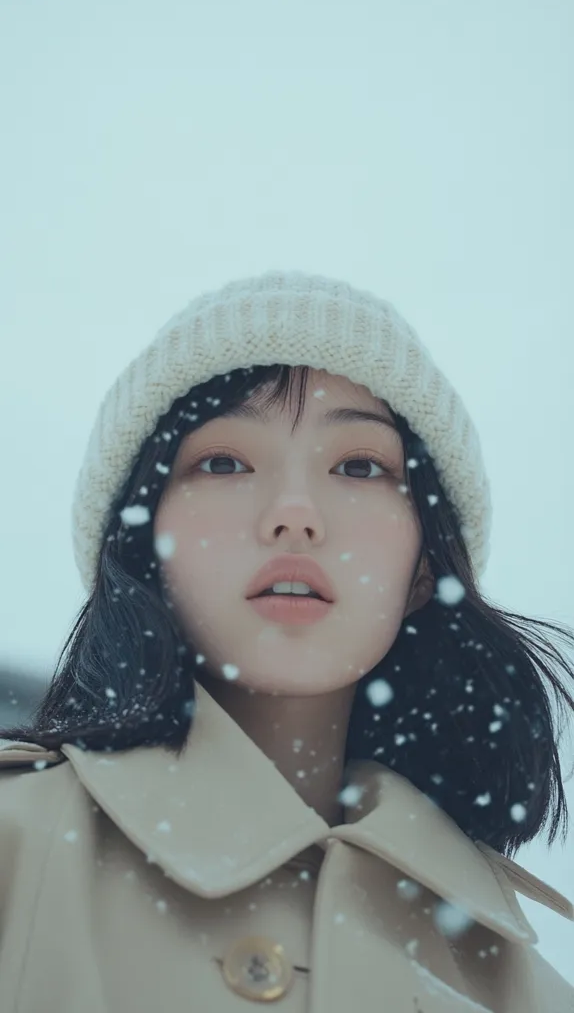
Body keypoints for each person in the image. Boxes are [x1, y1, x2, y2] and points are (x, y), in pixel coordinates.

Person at [1, 270, 573, 1012]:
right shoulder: (17, 852)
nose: (295, 514)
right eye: (225, 462)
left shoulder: (522, 983)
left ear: (425, 564)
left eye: (360, 466)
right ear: (143, 543)